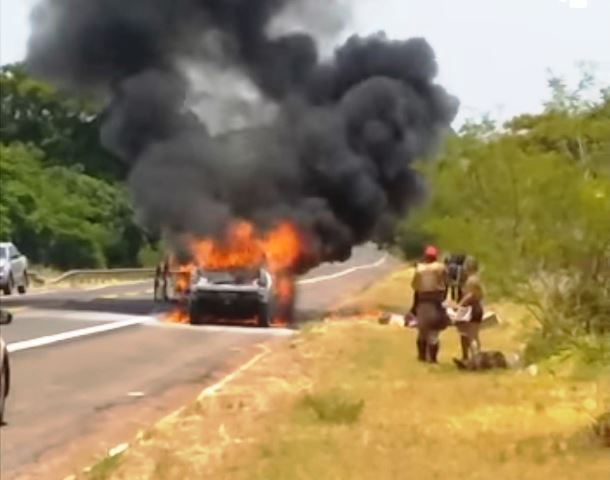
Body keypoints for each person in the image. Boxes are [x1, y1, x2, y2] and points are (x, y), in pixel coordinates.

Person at [411, 245, 449, 363]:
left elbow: (416, 288)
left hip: (424, 302)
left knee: (422, 331)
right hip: (437, 301)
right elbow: (446, 284)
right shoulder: (441, 267)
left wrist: (414, 307)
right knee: (434, 333)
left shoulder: (419, 269)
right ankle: (432, 358)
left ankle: (422, 356)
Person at [454, 256, 484, 361]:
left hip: (472, 309)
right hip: (477, 308)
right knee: (469, 335)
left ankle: (476, 358)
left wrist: (460, 305)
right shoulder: (477, 279)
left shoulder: (471, 280)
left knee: (471, 336)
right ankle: (469, 357)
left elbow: (470, 295)